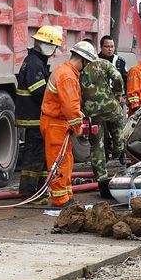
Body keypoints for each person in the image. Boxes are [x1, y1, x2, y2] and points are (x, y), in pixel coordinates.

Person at [41, 41, 97, 207]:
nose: (85, 68)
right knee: (59, 163)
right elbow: (70, 107)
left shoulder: (65, 71)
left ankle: (66, 196)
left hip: (58, 124)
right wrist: (78, 127)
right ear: (82, 60)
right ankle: (59, 199)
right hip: (56, 124)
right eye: (86, 64)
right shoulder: (67, 76)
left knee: (66, 161)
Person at [16, 26, 62, 204]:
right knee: (34, 156)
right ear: (49, 46)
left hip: (35, 117)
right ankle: (29, 193)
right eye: (55, 48)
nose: (55, 52)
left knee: (41, 155)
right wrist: (58, 98)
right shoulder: (34, 63)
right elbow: (39, 91)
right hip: (34, 117)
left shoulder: (36, 61)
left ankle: (39, 190)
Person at [80, 54, 125, 181]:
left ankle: (100, 176)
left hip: (91, 112)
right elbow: (117, 77)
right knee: (118, 133)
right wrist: (118, 93)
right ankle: (117, 151)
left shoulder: (79, 67)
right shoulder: (103, 63)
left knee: (96, 144)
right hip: (110, 107)